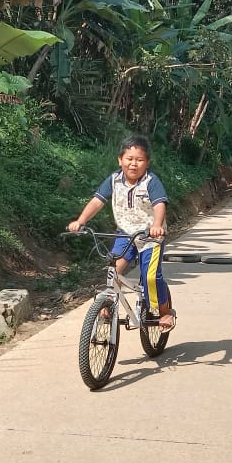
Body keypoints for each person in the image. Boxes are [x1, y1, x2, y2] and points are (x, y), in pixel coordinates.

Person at [67, 134, 175, 331]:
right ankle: (108, 302)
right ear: (120, 160)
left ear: (147, 162)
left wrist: (157, 225)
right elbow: (97, 201)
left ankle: (165, 311)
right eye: (129, 159)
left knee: (150, 277)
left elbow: (159, 204)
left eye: (139, 160)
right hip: (124, 233)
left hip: (150, 237)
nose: (134, 164)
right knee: (113, 269)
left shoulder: (151, 181)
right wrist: (80, 221)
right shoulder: (114, 180)